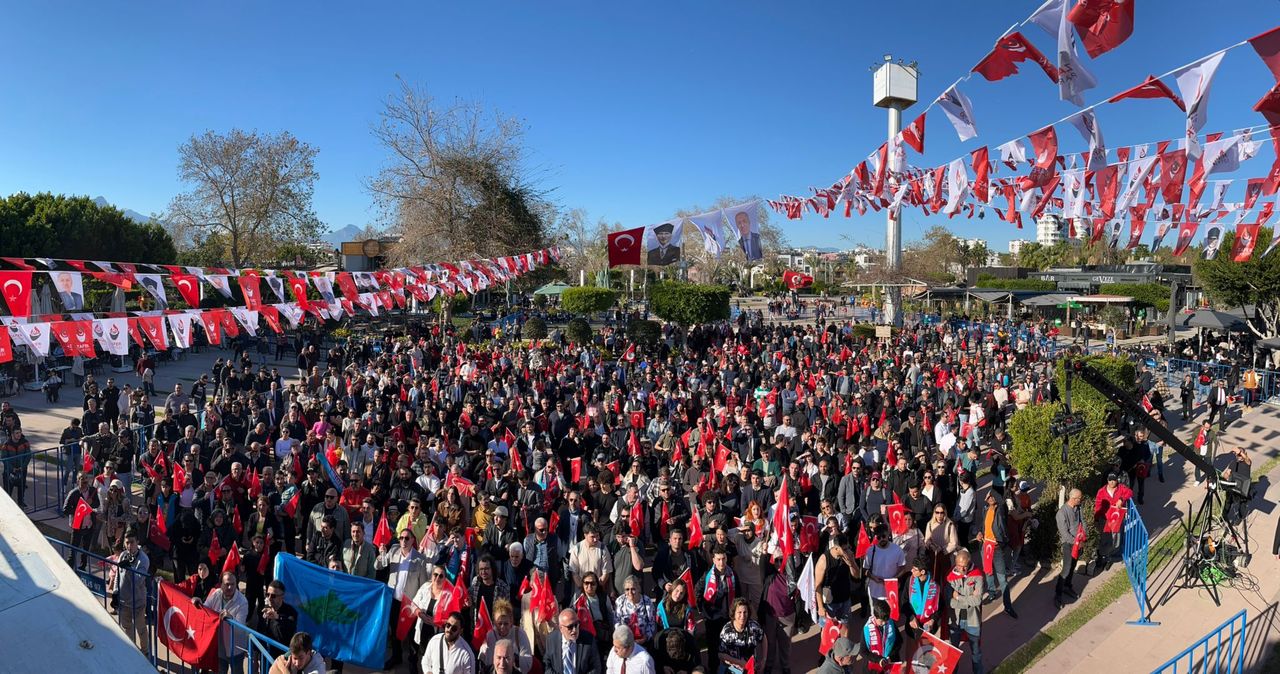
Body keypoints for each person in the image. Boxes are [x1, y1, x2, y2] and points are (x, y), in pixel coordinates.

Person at [201, 572, 249, 674]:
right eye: (227, 584)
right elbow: (205, 610)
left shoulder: (242, 601)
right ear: (221, 584)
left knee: (237, 671)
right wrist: (198, 603)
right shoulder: (216, 594)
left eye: (233, 584)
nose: (230, 587)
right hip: (220, 645)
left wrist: (231, 618)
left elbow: (241, 628)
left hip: (235, 647)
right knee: (220, 671)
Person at [946, 549, 985, 674]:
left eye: (965, 566)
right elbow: (949, 602)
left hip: (972, 619)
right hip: (955, 620)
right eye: (959, 566)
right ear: (955, 563)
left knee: (976, 652)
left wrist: (958, 597)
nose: (962, 570)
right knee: (953, 651)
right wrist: (969, 599)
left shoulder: (978, 575)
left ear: (970, 563)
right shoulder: (950, 577)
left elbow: (977, 600)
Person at [114, 532, 151, 657]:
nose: (129, 545)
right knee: (127, 627)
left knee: (141, 628)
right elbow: (117, 576)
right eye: (127, 542)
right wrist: (115, 593)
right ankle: (132, 650)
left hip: (138, 602)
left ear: (137, 542)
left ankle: (145, 652)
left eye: (132, 542)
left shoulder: (143, 559)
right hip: (124, 601)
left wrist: (129, 569)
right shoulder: (123, 555)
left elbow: (138, 580)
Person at [545, 608, 603, 674]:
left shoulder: (588, 640)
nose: (574, 630)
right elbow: (547, 664)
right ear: (561, 628)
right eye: (570, 627)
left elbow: (596, 668)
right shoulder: (551, 639)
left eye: (577, 624)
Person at [1054, 488, 1085, 609]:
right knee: (1066, 569)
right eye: (1079, 498)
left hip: (1079, 542)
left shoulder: (1078, 507)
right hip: (1069, 544)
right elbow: (1064, 534)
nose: (1080, 500)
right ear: (1073, 499)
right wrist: (1076, 542)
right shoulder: (1062, 513)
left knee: (1073, 566)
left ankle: (1067, 586)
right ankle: (1058, 594)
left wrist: (1083, 536)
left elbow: (1083, 522)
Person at [717, 597, 765, 674]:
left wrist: (764, 659)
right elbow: (720, 654)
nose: (742, 616)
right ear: (734, 614)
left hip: (750, 668)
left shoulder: (753, 626)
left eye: (745, 612)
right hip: (732, 669)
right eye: (739, 612)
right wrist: (739, 662)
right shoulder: (727, 631)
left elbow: (763, 637)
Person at [250, 580, 299, 646]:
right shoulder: (264, 608)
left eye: (273, 596)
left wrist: (277, 617)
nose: (269, 598)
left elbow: (290, 626)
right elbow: (260, 631)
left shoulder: (290, 611)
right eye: (267, 594)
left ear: (282, 596)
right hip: (264, 652)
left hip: (281, 652)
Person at [861, 599, 898, 672]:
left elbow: (898, 642)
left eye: (886, 620)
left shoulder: (891, 624)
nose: (884, 623)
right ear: (875, 616)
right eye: (881, 621)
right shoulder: (866, 630)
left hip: (888, 664)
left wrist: (891, 656)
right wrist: (879, 660)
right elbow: (863, 651)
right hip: (872, 667)